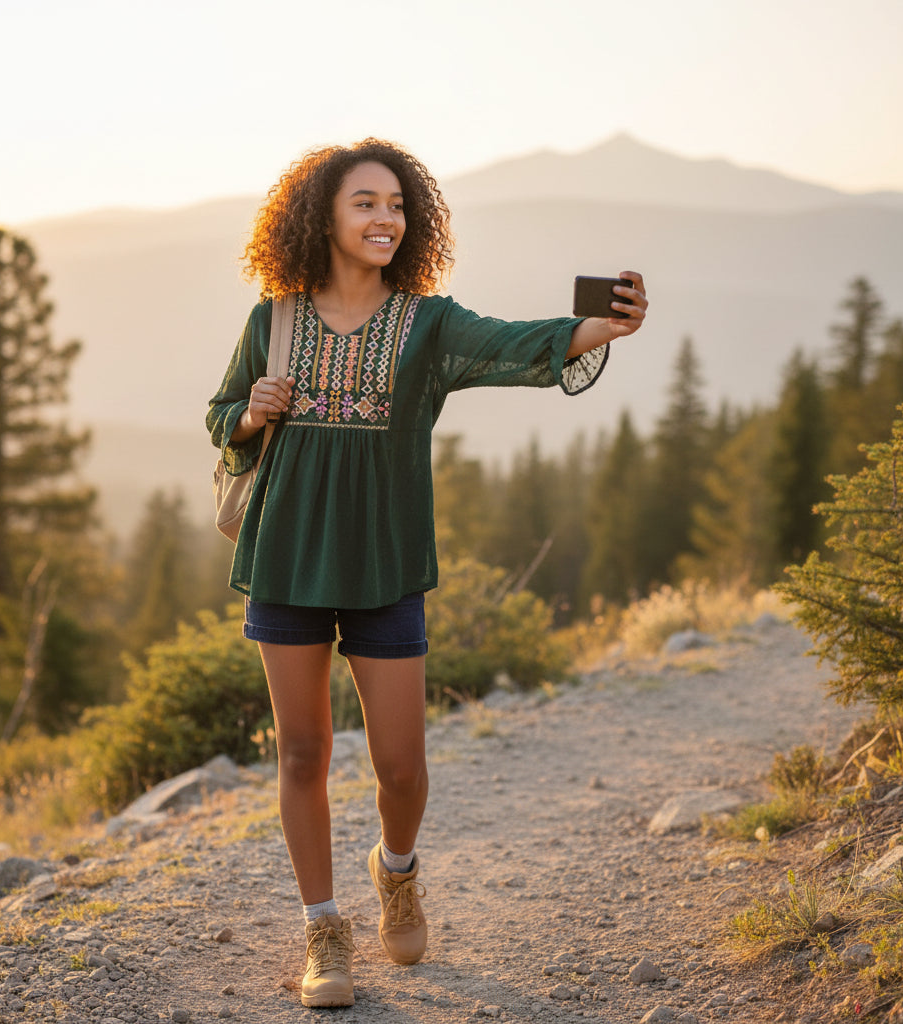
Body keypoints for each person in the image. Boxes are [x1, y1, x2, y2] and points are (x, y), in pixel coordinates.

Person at [206, 138, 647, 1008]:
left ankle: (395, 871)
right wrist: (250, 412)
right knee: (302, 752)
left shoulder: (428, 323)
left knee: (401, 769)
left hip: (387, 559)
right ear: (322, 216)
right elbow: (224, 413)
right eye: (366, 203)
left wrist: (604, 326)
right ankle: (323, 930)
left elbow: (516, 343)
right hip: (289, 557)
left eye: (398, 206)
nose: (385, 219)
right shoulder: (275, 319)